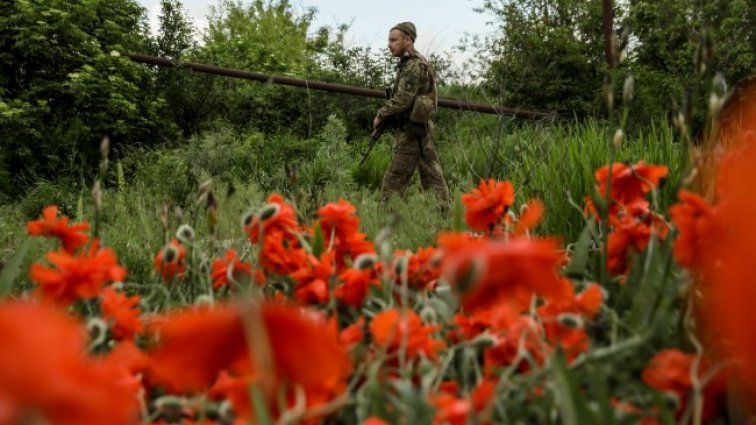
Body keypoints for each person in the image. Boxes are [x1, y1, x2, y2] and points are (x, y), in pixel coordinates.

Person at [373, 21, 451, 209]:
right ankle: (445, 212)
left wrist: (381, 114)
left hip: (411, 130)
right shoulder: (411, 63)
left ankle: (385, 216)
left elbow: (402, 99)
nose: (389, 44)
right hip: (419, 128)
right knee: (432, 175)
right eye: (389, 40)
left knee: (395, 178)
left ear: (408, 40)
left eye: (393, 40)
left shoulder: (413, 66)